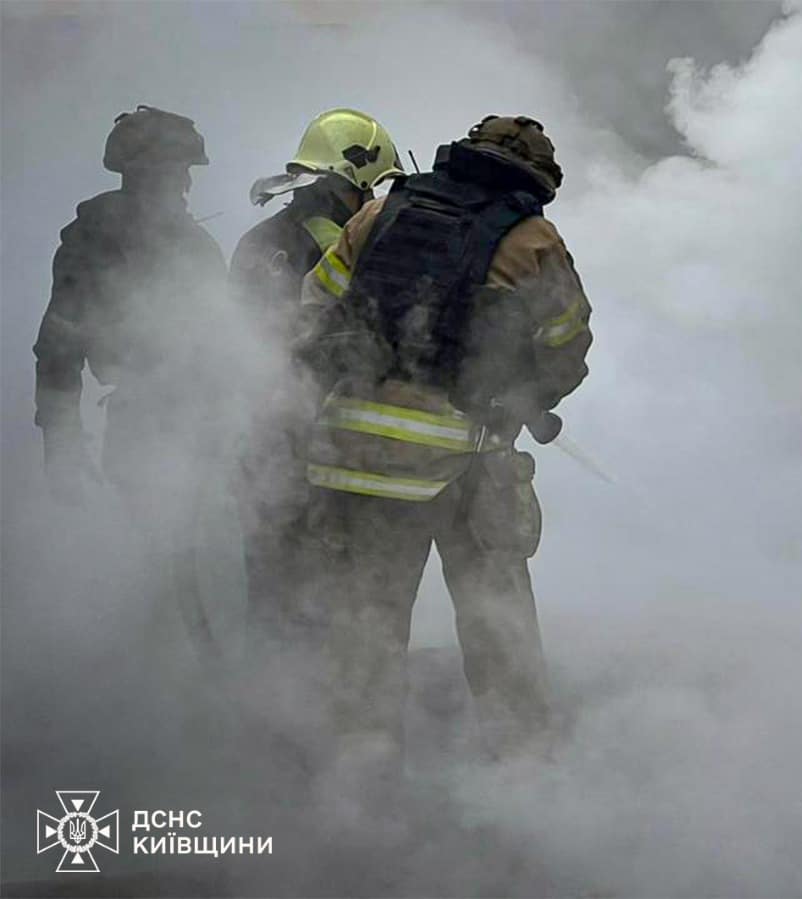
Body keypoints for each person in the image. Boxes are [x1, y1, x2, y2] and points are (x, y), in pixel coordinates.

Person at [294, 115, 592, 778]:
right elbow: (568, 345)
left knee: (367, 629)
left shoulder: (378, 214)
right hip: (464, 462)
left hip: (355, 458)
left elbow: (312, 312)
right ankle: (527, 774)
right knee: (497, 623)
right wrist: (523, 395)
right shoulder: (533, 238)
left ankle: (358, 780)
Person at [33, 105, 228, 659]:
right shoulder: (94, 244)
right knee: (164, 565)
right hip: (147, 427)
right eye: (180, 170)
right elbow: (59, 348)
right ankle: (161, 676)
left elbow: (228, 343)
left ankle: (188, 672)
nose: (188, 184)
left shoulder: (192, 245)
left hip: (200, 426)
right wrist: (62, 444)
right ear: (151, 173)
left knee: (199, 566)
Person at [230, 108, 402, 643]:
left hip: (259, 437)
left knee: (270, 581)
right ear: (348, 182)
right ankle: (322, 684)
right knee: (333, 590)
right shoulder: (345, 248)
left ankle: (270, 681)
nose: (369, 200)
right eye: (367, 189)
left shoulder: (258, 240)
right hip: (322, 440)